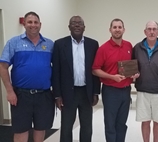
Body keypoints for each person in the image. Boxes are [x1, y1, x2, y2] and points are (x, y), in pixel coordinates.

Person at [0, 11, 54, 142]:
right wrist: (10, 91)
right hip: (21, 96)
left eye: (36, 22)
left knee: (41, 128)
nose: (33, 25)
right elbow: (3, 67)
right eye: (30, 22)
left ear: (40, 24)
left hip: (44, 95)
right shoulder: (14, 43)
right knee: (21, 129)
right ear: (24, 24)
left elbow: (57, 68)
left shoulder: (50, 44)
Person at [52, 16, 101, 142]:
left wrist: (96, 92)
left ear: (84, 27)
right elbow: (55, 71)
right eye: (74, 23)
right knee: (66, 127)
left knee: (87, 127)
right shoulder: (59, 44)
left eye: (80, 24)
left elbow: (95, 70)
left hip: (86, 92)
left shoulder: (93, 44)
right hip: (68, 93)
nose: (77, 25)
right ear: (69, 27)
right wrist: (57, 95)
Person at [92, 18, 139, 142]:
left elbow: (133, 66)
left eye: (119, 27)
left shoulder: (129, 46)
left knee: (122, 124)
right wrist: (112, 77)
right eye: (115, 27)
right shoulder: (103, 49)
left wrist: (135, 74)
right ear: (110, 30)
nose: (117, 30)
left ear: (124, 29)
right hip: (110, 91)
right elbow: (95, 69)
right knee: (110, 124)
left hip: (126, 91)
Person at [132, 21, 158, 142]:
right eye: (149, 29)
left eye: (154, 29)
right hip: (142, 91)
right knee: (145, 121)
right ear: (145, 32)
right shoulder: (137, 48)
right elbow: (132, 67)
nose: (151, 31)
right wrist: (133, 75)